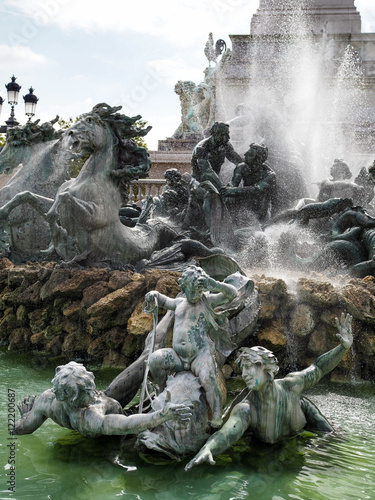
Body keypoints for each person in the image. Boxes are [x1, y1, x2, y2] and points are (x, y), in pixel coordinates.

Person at [185, 313, 353, 470]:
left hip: (303, 425)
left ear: (267, 367)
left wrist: (343, 347)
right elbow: (227, 433)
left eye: (250, 367)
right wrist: (209, 448)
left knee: (334, 442)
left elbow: (318, 368)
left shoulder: (292, 385)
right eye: (243, 369)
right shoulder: (246, 409)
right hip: (266, 451)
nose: (244, 374)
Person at [143, 265, 238, 428]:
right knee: (154, 360)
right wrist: (154, 295)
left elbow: (232, 294)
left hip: (198, 355)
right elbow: (164, 301)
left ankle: (216, 413)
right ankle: (161, 389)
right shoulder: (179, 302)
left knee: (209, 377)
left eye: (198, 291)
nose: (195, 295)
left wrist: (214, 284)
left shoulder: (207, 300)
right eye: (191, 291)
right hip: (177, 356)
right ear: (183, 287)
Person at [14, 361, 192, 437]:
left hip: (110, 401)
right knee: (145, 360)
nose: (93, 394)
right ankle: (171, 314)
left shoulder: (46, 400)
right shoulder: (91, 418)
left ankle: (169, 314)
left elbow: (20, 429)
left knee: (144, 361)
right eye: (88, 392)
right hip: (117, 417)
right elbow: (127, 424)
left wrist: (27, 415)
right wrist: (162, 415)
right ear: (73, 398)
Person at [221, 143, 276, 222]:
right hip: (245, 207)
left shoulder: (269, 174)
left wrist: (232, 191)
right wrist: (227, 189)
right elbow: (233, 183)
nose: (245, 154)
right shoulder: (242, 167)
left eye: (250, 154)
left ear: (258, 159)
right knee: (229, 198)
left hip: (261, 212)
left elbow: (256, 189)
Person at [191, 122, 242, 190]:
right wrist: (222, 187)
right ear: (216, 134)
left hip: (216, 183)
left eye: (228, 134)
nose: (228, 137)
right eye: (225, 134)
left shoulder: (225, 145)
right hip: (200, 184)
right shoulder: (202, 148)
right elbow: (207, 172)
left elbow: (238, 161)